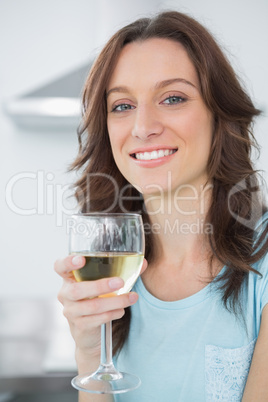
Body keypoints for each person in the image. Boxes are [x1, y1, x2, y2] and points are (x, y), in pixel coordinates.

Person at [54, 10, 268, 402]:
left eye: (172, 98)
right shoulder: (112, 272)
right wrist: (88, 352)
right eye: (122, 106)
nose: (143, 126)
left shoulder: (263, 259)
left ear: (219, 115)